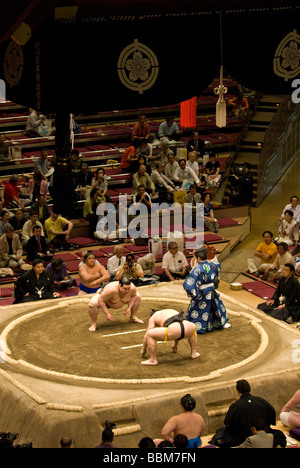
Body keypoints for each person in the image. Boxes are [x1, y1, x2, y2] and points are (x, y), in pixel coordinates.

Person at [209, 379, 277, 448]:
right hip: (263, 433)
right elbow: (272, 411)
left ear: (238, 391)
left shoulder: (235, 406)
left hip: (241, 438)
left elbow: (227, 423)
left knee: (220, 431)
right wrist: (267, 425)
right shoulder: (261, 401)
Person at [184, 246, 230, 333]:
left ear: (198, 258)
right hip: (211, 290)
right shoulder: (212, 265)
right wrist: (212, 259)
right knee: (215, 306)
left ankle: (199, 327)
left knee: (200, 310)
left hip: (202, 292)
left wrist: (193, 293)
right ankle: (219, 323)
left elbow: (189, 284)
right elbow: (218, 266)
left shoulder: (197, 269)